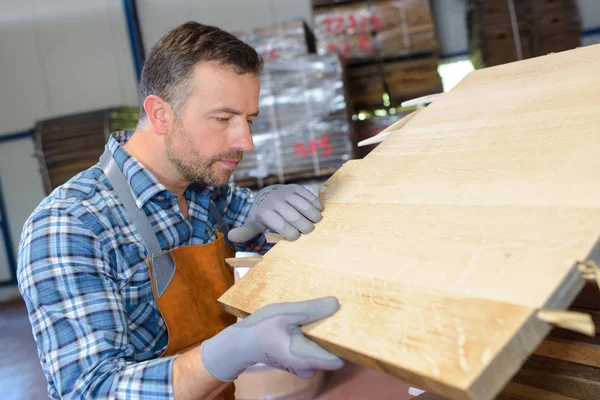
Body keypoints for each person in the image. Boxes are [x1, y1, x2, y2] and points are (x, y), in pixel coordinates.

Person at [17, 22, 344, 400]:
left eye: (249, 120)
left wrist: (266, 205)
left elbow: (266, 233)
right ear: (159, 115)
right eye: (223, 119)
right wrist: (230, 352)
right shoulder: (70, 226)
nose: (246, 142)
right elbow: (90, 391)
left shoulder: (207, 192)